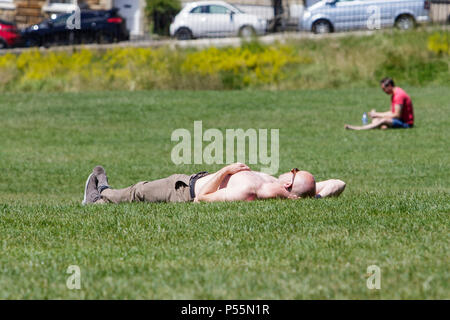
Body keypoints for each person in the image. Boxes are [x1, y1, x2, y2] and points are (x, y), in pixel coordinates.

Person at [82, 163, 346, 205]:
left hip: (185, 189)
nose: (291, 169)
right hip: (194, 179)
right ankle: (104, 196)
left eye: (295, 172)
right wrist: (316, 197)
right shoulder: (284, 188)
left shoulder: (247, 192)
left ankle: (99, 196)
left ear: (289, 184)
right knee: (138, 189)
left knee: (138, 191)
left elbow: (202, 199)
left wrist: (225, 171)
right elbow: (338, 183)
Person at [345, 77, 414, 130]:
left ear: (389, 85)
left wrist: (377, 114)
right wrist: (376, 115)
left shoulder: (399, 95)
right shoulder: (394, 94)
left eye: (384, 89)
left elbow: (397, 115)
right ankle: (384, 126)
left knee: (382, 120)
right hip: (398, 120)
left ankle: (358, 128)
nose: (384, 91)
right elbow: (392, 112)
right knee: (376, 120)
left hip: (406, 123)